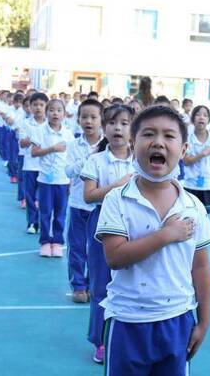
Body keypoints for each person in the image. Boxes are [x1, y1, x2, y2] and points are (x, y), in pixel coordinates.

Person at [95, 105, 210, 374]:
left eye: (169, 136)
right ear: (133, 143)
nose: (158, 142)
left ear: (183, 150)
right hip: (127, 321)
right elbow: (114, 257)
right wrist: (165, 235)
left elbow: (201, 267)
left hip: (177, 320)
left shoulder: (192, 206)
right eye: (148, 134)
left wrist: (204, 322)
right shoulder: (118, 199)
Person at [80, 104, 135, 364]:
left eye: (124, 123)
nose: (118, 128)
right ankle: (100, 340)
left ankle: (129, 336)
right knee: (101, 285)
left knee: (134, 283)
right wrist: (116, 187)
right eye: (112, 123)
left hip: (135, 224)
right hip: (102, 224)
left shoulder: (140, 159)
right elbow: (89, 195)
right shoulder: (96, 160)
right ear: (105, 127)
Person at [64, 99, 104, 304]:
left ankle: (94, 284)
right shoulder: (73, 145)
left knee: (98, 250)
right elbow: (68, 171)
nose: (88, 121)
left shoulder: (108, 145)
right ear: (78, 119)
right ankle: (78, 286)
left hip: (100, 206)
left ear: (101, 120)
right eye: (84, 117)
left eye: (93, 117)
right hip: (79, 204)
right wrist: (87, 159)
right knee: (77, 247)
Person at [30, 99, 73, 257]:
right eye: (52, 110)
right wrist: (52, 149)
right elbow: (34, 152)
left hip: (63, 180)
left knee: (61, 213)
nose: (55, 113)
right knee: (46, 212)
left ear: (64, 113)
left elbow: (71, 158)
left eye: (59, 110)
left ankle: (57, 242)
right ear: (47, 112)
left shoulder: (68, 134)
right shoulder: (40, 131)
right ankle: (45, 242)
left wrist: (71, 180)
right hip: (45, 180)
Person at [183, 105, 210, 213]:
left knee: (205, 217)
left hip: (208, 185)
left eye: (205, 115)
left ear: (209, 120)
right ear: (192, 119)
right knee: (189, 215)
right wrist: (202, 154)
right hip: (190, 184)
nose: (201, 117)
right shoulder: (186, 139)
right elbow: (186, 162)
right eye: (198, 114)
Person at [18, 92, 48, 234]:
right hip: (30, 165)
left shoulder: (51, 124)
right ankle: (32, 222)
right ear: (29, 107)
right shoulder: (26, 123)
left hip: (46, 166)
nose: (38, 108)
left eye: (41, 105)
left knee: (44, 197)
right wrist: (31, 139)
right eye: (35, 105)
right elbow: (22, 143)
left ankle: (44, 222)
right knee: (29, 195)